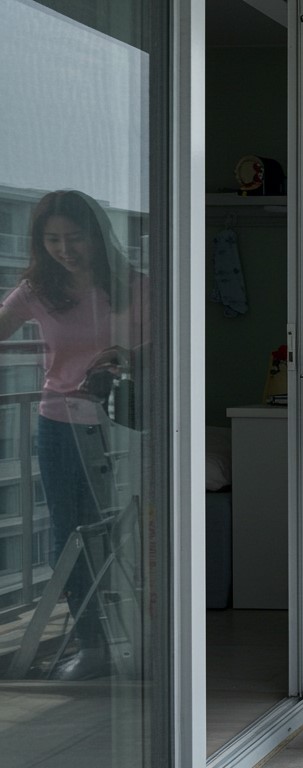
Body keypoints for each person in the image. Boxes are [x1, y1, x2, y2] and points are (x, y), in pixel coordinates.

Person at [0, 189, 146, 680]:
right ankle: (91, 646)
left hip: (124, 424)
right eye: (53, 239)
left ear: (97, 236)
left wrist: (129, 357)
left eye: (75, 237)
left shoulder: (134, 286)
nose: (65, 249)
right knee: (70, 538)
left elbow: (170, 349)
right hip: (60, 424)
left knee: (126, 536)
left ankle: (142, 639)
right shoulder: (37, 289)